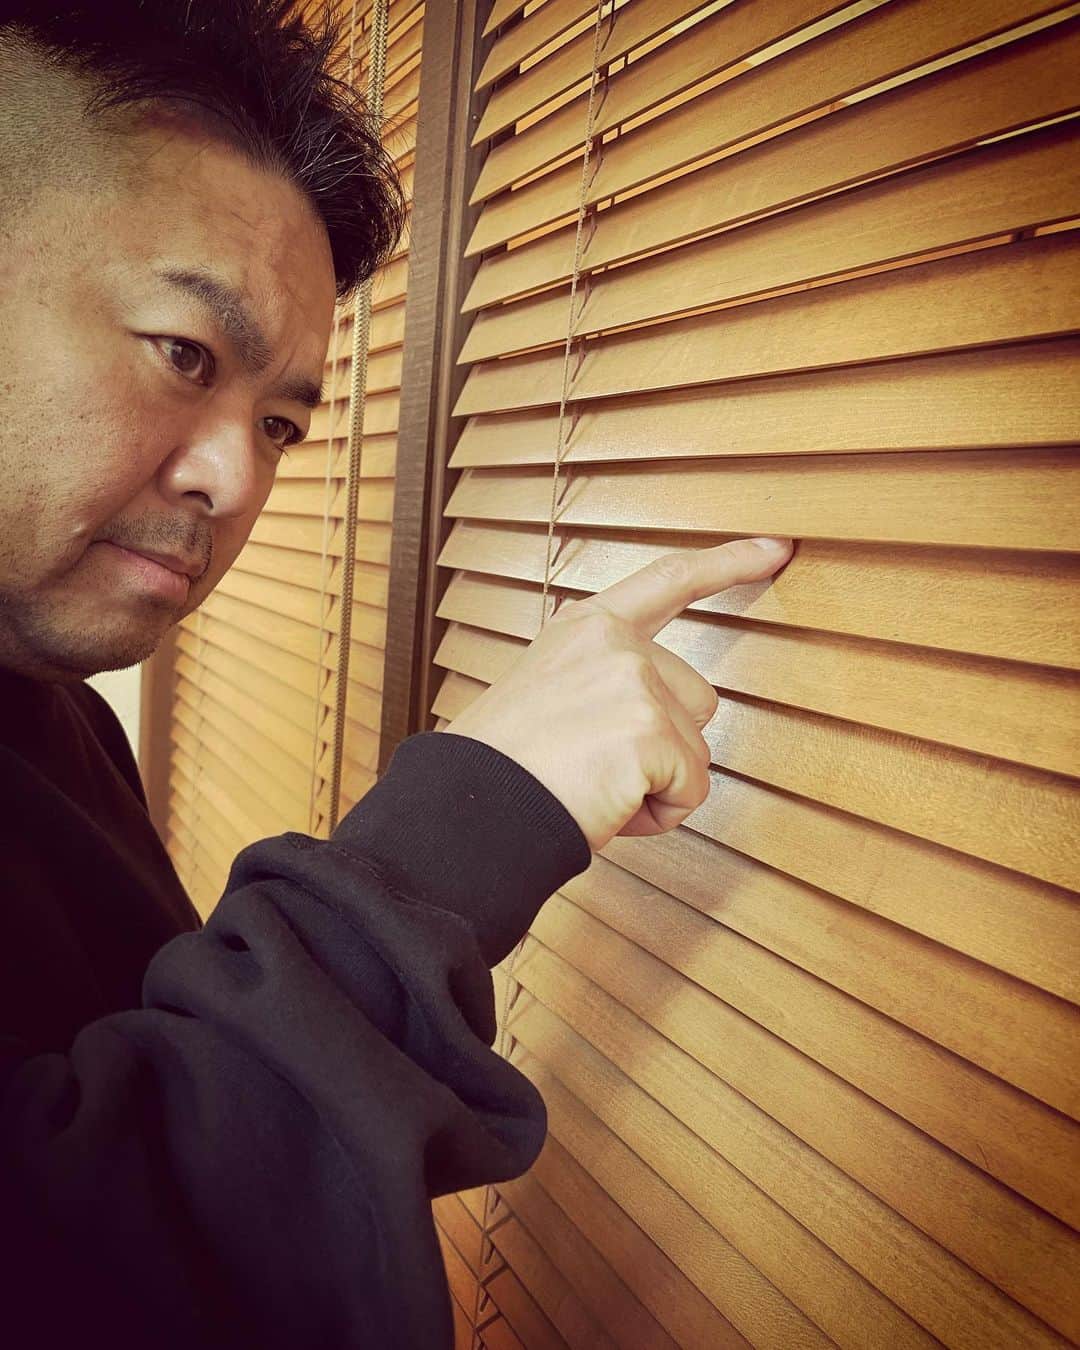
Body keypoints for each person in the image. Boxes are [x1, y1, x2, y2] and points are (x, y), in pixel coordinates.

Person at [0, 2, 792, 1345]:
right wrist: (477, 815)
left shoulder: (58, 713)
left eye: (280, 422)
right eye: (185, 354)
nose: (236, 480)